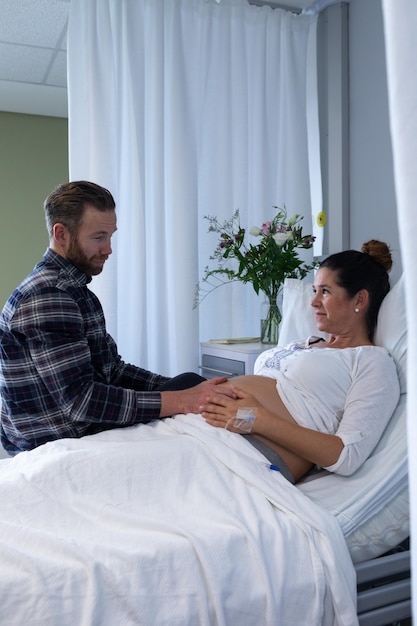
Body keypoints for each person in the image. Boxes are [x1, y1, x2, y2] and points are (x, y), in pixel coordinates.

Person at [0, 181, 235, 456]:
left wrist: (183, 391)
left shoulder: (74, 291)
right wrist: (179, 400)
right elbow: (81, 402)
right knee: (189, 395)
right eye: (99, 237)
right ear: (61, 234)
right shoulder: (50, 296)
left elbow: (113, 372)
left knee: (189, 382)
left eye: (110, 236)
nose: (108, 249)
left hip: (76, 426)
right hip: (61, 438)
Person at [200, 240, 400, 483]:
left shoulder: (372, 362)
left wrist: (255, 418)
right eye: (314, 290)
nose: (313, 302)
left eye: (325, 292)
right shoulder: (303, 343)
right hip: (208, 428)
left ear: (359, 300)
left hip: (248, 452)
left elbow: (346, 454)